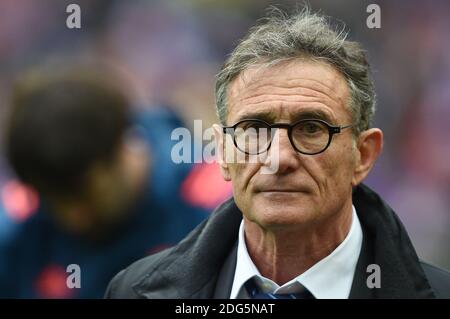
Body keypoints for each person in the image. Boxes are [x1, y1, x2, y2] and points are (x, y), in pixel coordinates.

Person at [105, 8, 450, 299]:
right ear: (223, 153)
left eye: (311, 129)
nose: (279, 158)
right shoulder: (131, 291)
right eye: (254, 130)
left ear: (362, 155)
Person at [0, 66, 211, 298]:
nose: (74, 216)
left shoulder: (211, 209)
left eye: (83, 195)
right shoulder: (18, 229)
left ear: (122, 154)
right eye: (55, 202)